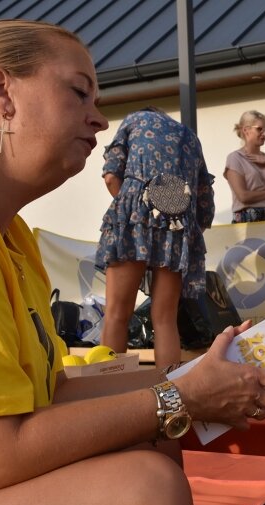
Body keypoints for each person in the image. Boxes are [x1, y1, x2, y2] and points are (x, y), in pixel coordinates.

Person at [0, 20, 265, 505]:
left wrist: (194, 376)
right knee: (143, 487)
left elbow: (48, 389)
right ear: (1, 92)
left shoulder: (1, 227)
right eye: (79, 93)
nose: (99, 120)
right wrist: (180, 396)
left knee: (154, 439)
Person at [95, 107, 214, 368]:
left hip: (135, 215)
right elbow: (205, 207)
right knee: (165, 318)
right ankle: (168, 390)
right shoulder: (190, 136)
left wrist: (131, 212)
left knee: (117, 313)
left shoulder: (133, 119)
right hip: (176, 220)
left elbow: (111, 174)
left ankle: (109, 387)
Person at [224, 110, 265, 223]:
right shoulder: (235, 158)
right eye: (259, 129)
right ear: (246, 130)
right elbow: (243, 197)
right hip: (247, 216)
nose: (264, 133)